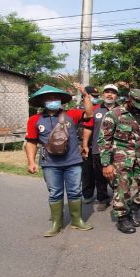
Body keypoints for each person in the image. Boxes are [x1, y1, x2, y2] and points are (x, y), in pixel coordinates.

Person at [24, 83, 94, 237]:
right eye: (48, 98)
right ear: (42, 101)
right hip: (50, 164)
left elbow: (89, 114)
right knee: (55, 193)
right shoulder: (35, 120)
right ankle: (57, 223)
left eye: (55, 97)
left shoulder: (72, 114)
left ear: (61, 100)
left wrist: (85, 94)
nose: (52, 100)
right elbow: (31, 142)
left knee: (75, 191)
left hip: (73, 162)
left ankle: (77, 220)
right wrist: (31, 162)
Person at [99, 89, 140, 234]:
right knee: (122, 188)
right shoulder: (114, 114)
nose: (139, 107)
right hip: (121, 157)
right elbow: (104, 140)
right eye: (137, 103)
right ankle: (122, 219)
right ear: (129, 100)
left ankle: (133, 208)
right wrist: (106, 164)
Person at [81, 84, 120, 211]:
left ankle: (119, 197)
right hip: (99, 149)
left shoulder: (123, 110)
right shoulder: (95, 110)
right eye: (107, 92)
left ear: (116, 96)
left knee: (118, 175)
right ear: (103, 95)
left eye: (113, 92)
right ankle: (103, 198)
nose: (110, 94)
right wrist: (85, 145)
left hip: (119, 149)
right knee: (100, 176)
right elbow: (88, 128)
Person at [80, 85, 101, 204]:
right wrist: (83, 144)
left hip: (98, 143)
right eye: (93, 96)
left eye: (97, 96)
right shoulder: (78, 108)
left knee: (100, 171)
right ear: (86, 95)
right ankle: (87, 194)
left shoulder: (99, 108)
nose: (95, 98)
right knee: (87, 171)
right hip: (84, 143)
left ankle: (102, 195)